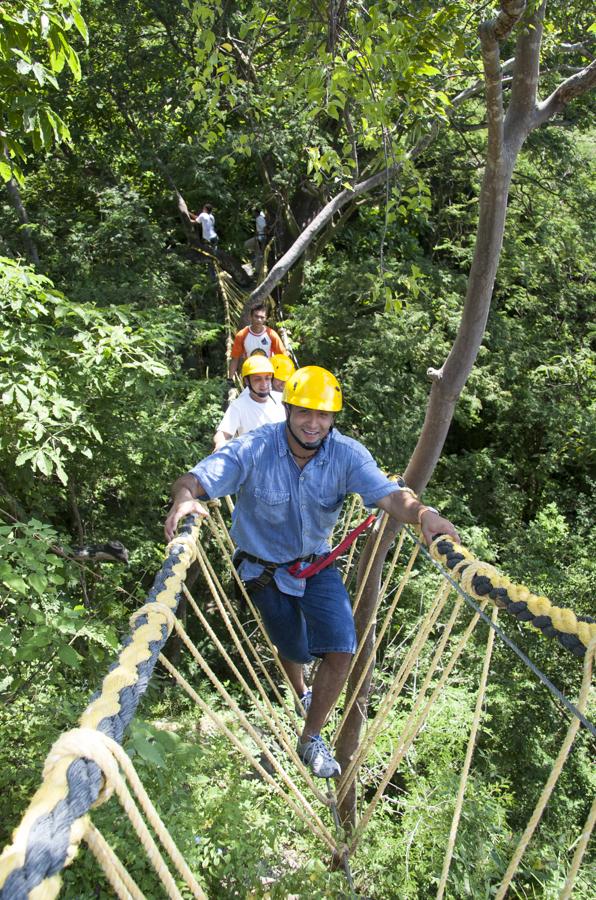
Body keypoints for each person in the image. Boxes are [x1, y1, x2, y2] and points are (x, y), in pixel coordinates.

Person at [165, 366, 460, 779]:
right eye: (304, 412)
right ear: (287, 408)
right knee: (296, 650)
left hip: (315, 563)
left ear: (334, 418)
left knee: (341, 647)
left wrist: (423, 514)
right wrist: (183, 499)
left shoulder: (347, 455)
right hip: (261, 568)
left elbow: (391, 496)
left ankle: (310, 738)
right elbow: (194, 480)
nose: (313, 423)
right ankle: (301, 688)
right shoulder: (254, 448)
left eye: (323, 415)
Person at [213, 356, 285, 450]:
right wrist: (220, 444)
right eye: (258, 379)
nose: (264, 384)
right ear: (247, 381)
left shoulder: (282, 400)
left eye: (267, 378)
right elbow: (223, 433)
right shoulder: (238, 406)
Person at [228, 303, 286, 379]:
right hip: (250, 374)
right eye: (256, 316)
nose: (259, 320)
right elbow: (235, 359)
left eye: (262, 317)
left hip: (268, 374)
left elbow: (283, 357)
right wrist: (230, 379)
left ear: (265, 318)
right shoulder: (242, 335)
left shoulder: (271, 334)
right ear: (251, 317)